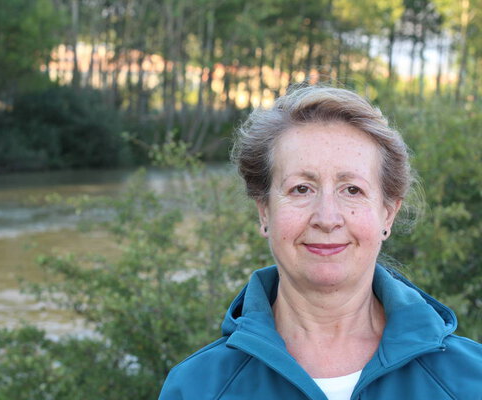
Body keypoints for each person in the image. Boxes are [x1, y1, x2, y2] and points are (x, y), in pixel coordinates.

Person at [158, 86, 482, 400]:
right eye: (301, 189)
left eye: (352, 190)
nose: (327, 218)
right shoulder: (196, 388)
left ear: (387, 215)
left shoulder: (470, 379)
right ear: (264, 212)